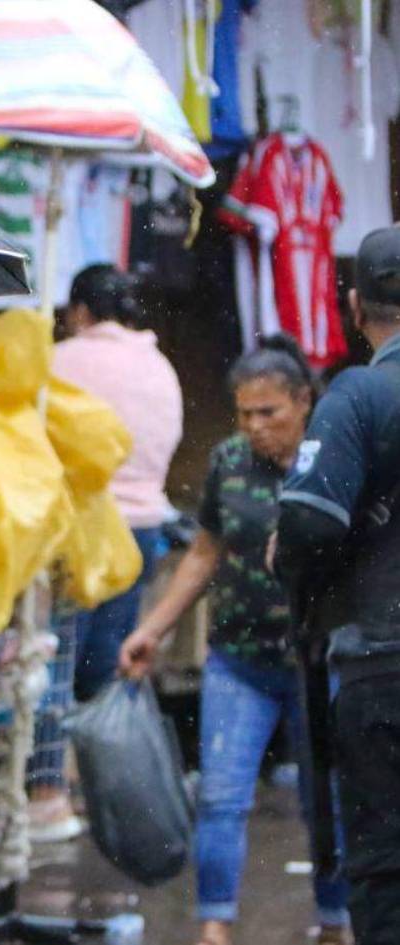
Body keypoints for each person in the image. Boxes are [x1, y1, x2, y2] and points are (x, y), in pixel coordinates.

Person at [119, 336, 350, 945]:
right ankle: (214, 924)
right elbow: (203, 554)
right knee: (222, 795)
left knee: (323, 800)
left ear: (304, 402)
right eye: (244, 414)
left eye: (268, 413)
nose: (254, 427)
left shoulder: (336, 459)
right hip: (239, 661)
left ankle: (335, 923)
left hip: (318, 660)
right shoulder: (226, 461)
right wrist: (153, 628)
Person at [274, 225, 400, 944]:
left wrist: (288, 558)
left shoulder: (358, 395)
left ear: (355, 306)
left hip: (381, 666)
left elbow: (310, 525)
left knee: (385, 868)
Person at [31, 263, 183, 843]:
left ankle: (46, 791)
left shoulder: (65, 360)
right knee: (105, 670)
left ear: (80, 313)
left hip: (83, 533)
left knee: (55, 661)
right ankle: (97, 790)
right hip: (144, 532)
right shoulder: (161, 365)